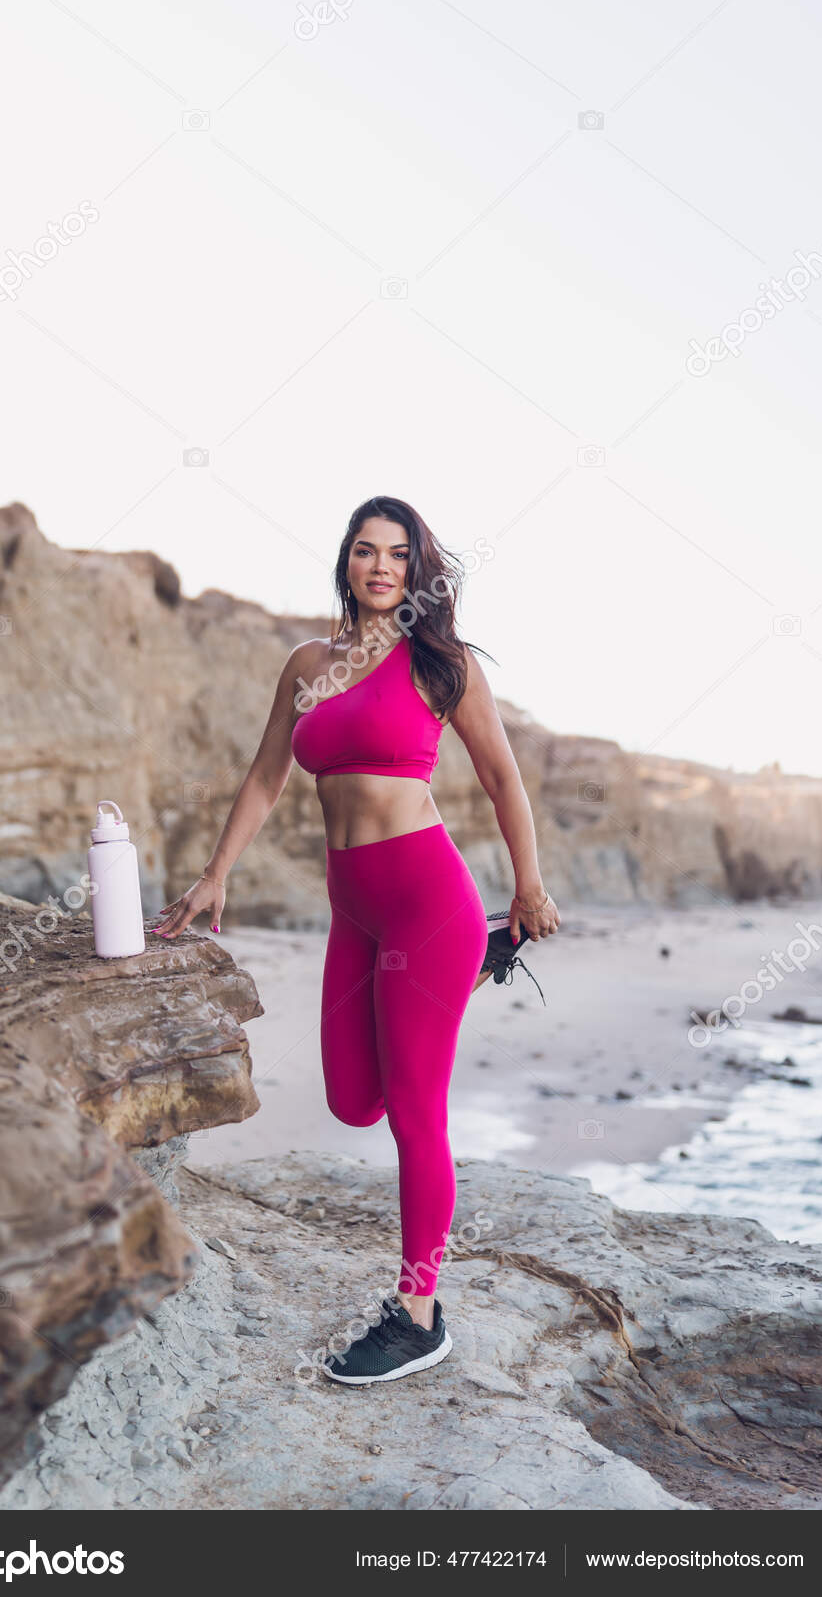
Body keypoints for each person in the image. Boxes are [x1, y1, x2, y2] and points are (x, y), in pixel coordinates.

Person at [153, 497, 560, 1384]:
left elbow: (501, 778)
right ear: (345, 562)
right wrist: (216, 873)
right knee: (351, 1102)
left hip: (426, 903)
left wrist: (527, 885)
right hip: (354, 911)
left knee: (417, 1112)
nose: (381, 567)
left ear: (417, 570)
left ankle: (419, 1311)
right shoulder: (307, 664)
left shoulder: (439, 664)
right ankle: (419, 1266)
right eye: (366, 551)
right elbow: (266, 775)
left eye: (398, 554)